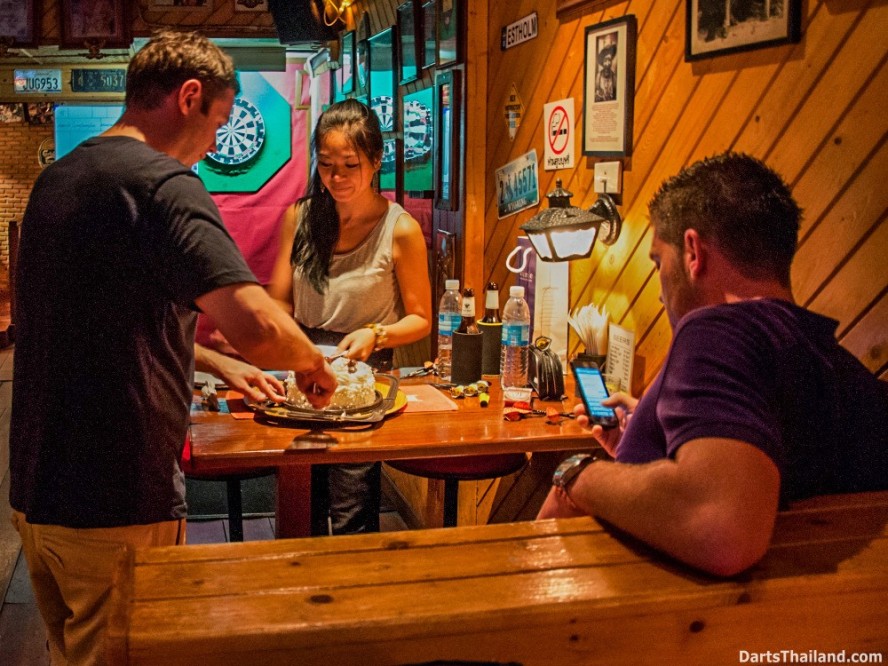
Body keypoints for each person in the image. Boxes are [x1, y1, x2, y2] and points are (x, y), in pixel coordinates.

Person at [10, 29, 336, 665]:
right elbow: (257, 324)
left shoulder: (60, 178)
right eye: (218, 120)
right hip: (114, 499)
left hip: (36, 492)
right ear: (189, 97)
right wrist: (315, 362)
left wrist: (214, 362)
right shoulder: (165, 184)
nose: (216, 141)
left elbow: (109, 320)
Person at [537, 152, 888, 577]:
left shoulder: (715, 329)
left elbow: (722, 527)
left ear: (693, 252)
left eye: (657, 261)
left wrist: (577, 476)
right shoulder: (832, 362)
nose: (660, 290)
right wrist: (648, 441)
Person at [266, 98, 432, 535]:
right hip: (306, 364)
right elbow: (280, 301)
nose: (336, 177)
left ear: (376, 161)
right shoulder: (300, 217)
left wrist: (376, 334)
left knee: (352, 504)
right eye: (326, 165)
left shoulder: (400, 228)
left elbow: (420, 319)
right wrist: (278, 342)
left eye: (349, 165)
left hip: (365, 367)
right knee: (301, 499)